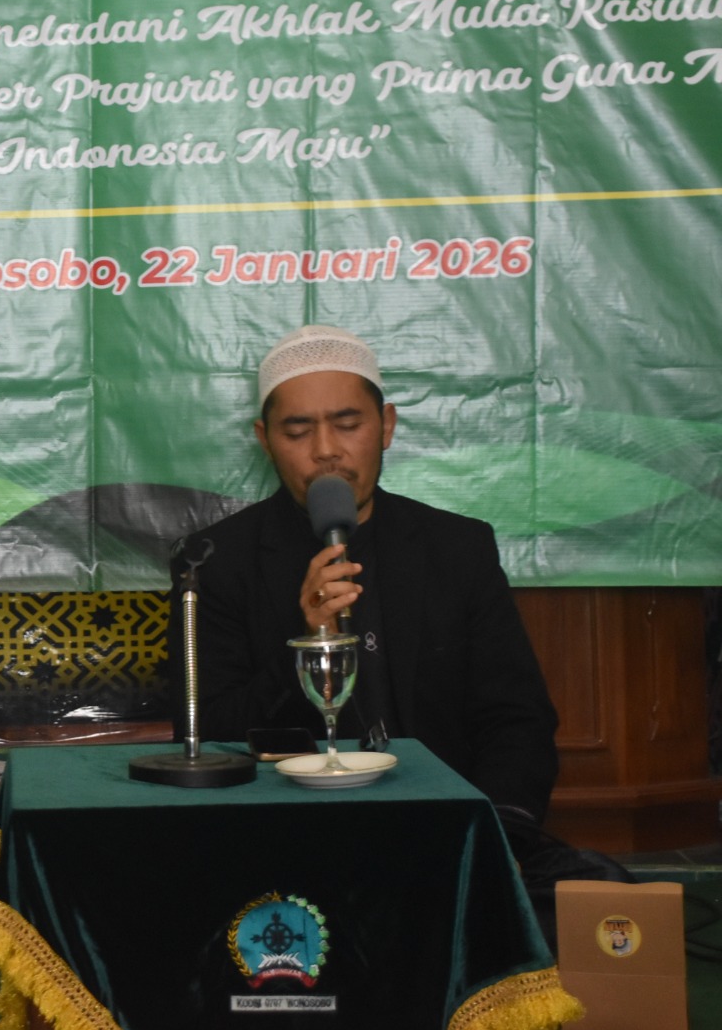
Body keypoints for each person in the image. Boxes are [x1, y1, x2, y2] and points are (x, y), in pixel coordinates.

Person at [173, 327, 627, 906]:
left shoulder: (457, 548)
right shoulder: (213, 561)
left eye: (348, 424)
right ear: (265, 439)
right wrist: (310, 640)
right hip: (282, 838)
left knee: (603, 899)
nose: (325, 450)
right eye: (298, 430)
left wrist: (496, 837)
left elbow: (516, 720)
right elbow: (208, 733)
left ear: (386, 426)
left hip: (442, 833)